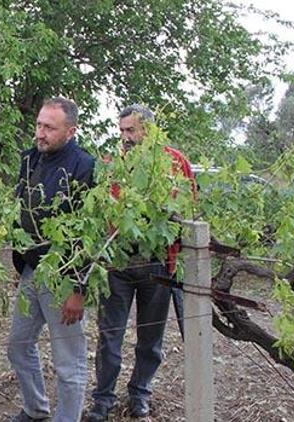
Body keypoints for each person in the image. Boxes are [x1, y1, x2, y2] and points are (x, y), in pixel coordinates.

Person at [87, 104, 195, 421]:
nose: (125, 137)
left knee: (151, 338)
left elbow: (190, 211)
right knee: (110, 336)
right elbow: (99, 209)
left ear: (149, 130)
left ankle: (140, 394)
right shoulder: (111, 164)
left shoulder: (176, 163)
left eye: (131, 130)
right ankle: (102, 401)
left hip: (159, 264)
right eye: (121, 131)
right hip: (117, 263)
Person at [7, 96, 95, 422]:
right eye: (39, 125)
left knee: (68, 364)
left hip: (64, 278)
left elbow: (90, 234)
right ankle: (36, 408)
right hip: (32, 270)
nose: (40, 133)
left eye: (49, 127)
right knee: (18, 345)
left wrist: (78, 289)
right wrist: (20, 263)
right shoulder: (30, 159)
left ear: (71, 131)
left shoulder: (84, 166)